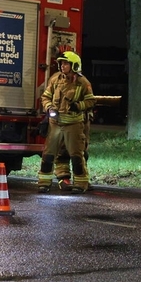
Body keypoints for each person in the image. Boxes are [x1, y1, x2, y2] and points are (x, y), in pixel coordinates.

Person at [38, 51, 95, 193]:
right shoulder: (55, 79)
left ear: (74, 65)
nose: (62, 66)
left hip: (74, 124)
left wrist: (78, 106)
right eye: (61, 63)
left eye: (65, 63)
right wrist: (49, 107)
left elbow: (91, 100)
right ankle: (44, 182)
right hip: (55, 123)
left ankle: (81, 184)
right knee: (48, 154)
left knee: (76, 155)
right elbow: (45, 97)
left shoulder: (83, 82)